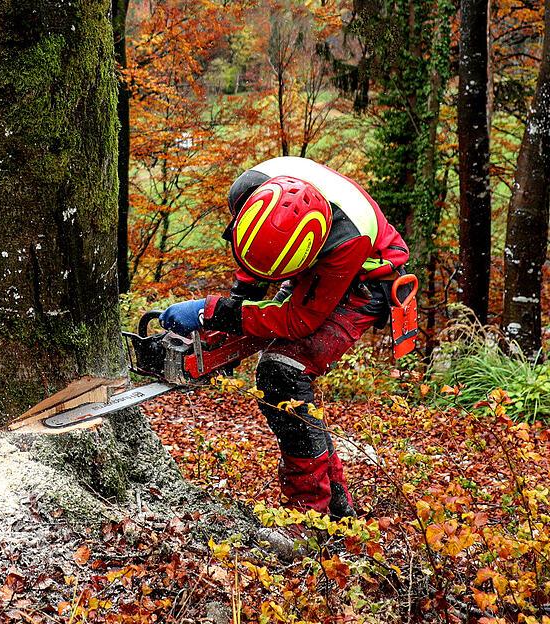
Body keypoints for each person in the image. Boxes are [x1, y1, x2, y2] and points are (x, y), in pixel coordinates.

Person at [158, 156, 410, 522]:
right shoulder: (251, 189)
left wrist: (210, 311)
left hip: (364, 281)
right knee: (266, 346)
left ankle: (308, 513)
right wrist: (233, 316)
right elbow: (253, 265)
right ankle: (337, 504)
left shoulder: (348, 242)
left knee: (282, 375)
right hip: (310, 257)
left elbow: (298, 320)